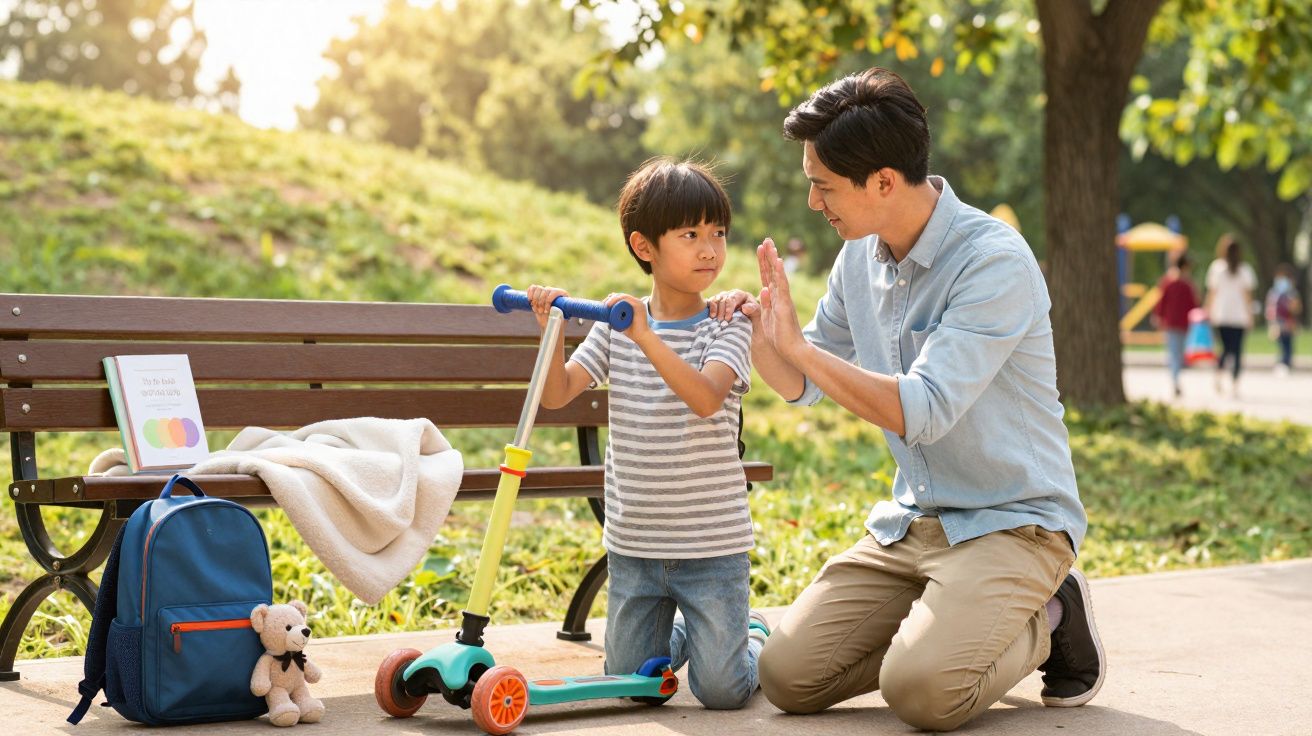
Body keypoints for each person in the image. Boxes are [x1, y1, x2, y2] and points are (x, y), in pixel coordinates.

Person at [708, 68, 1102, 731]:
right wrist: (760, 332)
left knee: (921, 695)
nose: (812, 201)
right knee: (786, 677)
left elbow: (921, 410)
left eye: (823, 185)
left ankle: (1050, 611)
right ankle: (948, 619)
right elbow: (805, 383)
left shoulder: (993, 262)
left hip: (1013, 521)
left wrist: (802, 352)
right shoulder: (859, 256)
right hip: (913, 523)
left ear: (884, 181)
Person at [524, 157, 768, 710]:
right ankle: (693, 642)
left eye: (718, 233)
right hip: (635, 544)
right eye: (690, 234)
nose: (710, 249)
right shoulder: (618, 328)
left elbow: (706, 399)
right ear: (644, 247)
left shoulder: (727, 324)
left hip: (711, 546)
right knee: (634, 687)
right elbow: (558, 392)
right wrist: (551, 331)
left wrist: (644, 335)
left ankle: (747, 635)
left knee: (723, 692)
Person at [1204, 234, 1256, 396]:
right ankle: (1235, 384)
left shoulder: (1216, 268)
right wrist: (1250, 315)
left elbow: (1212, 293)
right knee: (1237, 350)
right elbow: (1248, 297)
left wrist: (1207, 310)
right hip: (1239, 316)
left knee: (1225, 349)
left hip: (1221, 315)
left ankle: (1219, 376)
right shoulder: (1245, 270)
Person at [1154, 251, 1200, 396]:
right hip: (1182, 323)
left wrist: (1158, 316)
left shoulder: (1168, 282)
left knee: (1175, 352)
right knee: (1177, 353)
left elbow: (1161, 302)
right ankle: (1175, 379)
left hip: (1172, 322)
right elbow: (1194, 304)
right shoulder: (1187, 284)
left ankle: (1175, 378)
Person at [1266, 263, 1303, 376]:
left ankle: (1286, 363)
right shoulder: (1274, 293)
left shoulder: (1292, 293)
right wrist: (1272, 324)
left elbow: (1297, 308)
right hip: (1278, 322)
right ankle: (1282, 363)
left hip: (1289, 322)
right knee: (1281, 344)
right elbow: (1270, 309)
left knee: (1288, 344)